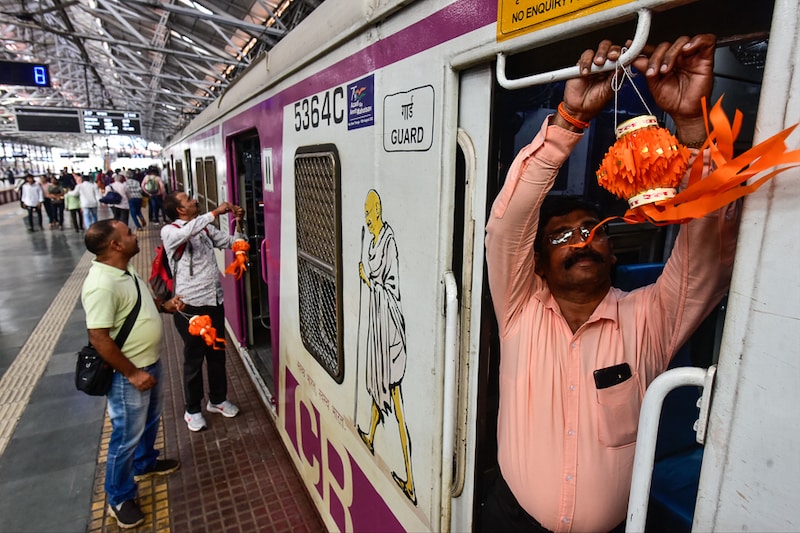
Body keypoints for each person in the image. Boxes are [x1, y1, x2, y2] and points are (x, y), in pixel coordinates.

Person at [482, 34, 740, 532]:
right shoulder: (518, 309)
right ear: (536, 263)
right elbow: (507, 226)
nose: (581, 240)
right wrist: (569, 123)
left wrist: (690, 125)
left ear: (611, 248)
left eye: (590, 230)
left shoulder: (649, 317)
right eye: (561, 235)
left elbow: (709, 253)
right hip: (512, 519)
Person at [81, 219, 184, 528]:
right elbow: (98, 337)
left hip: (147, 362)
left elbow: (140, 300)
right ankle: (119, 497)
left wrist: (163, 307)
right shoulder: (101, 284)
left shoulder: (124, 268)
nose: (134, 234)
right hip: (128, 373)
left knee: (149, 422)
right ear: (114, 245)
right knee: (125, 437)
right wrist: (133, 373)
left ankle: (145, 463)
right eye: (127, 233)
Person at [161, 192, 244, 431]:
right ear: (179, 210)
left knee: (217, 354)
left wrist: (239, 223)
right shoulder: (170, 231)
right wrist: (216, 212)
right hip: (189, 307)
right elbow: (186, 233)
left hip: (213, 302)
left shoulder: (206, 230)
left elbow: (233, 243)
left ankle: (217, 400)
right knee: (194, 360)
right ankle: (192, 409)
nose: (195, 200)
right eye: (188, 200)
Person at [356, 189, 416, 505]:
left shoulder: (388, 240)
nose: (366, 215)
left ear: (378, 209)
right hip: (379, 324)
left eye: (369, 209)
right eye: (365, 210)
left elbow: (387, 286)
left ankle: (410, 478)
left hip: (389, 329)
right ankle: (369, 433)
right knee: (379, 383)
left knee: (396, 396)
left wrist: (367, 278)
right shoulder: (374, 237)